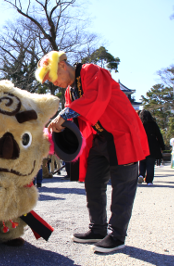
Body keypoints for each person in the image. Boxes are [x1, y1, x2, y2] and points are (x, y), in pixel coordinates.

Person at [35, 51, 149, 253]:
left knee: (122, 186)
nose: (54, 83)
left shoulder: (91, 71)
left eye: (52, 78)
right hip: (100, 138)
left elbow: (94, 98)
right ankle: (97, 229)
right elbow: (78, 118)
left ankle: (117, 235)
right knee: (93, 182)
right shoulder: (70, 91)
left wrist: (64, 114)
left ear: (62, 65)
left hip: (122, 133)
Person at [137, 110, 165, 185]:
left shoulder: (139, 124)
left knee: (142, 162)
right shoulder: (153, 124)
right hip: (152, 146)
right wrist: (162, 146)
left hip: (141, 145)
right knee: (150, 164)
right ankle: (149, 181)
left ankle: (141, 175)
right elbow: (159, 136)